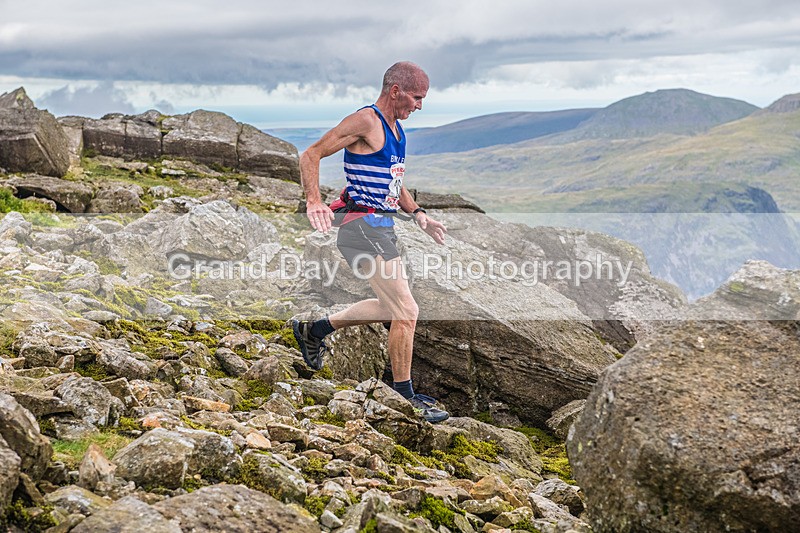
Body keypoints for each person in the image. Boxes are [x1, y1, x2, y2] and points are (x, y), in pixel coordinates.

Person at [293, 61, 450, 423]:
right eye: (416, 97)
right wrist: (314, 201)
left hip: (380, 227)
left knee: (388, 307)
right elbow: (310, 154)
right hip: (361, 226)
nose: (419, 105)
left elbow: (393, 183)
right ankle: (403, 395)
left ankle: (313, 330)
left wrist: (419, 214)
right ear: (395, 90)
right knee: (407, 312)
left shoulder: (396, 129)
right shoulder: (367, 121)